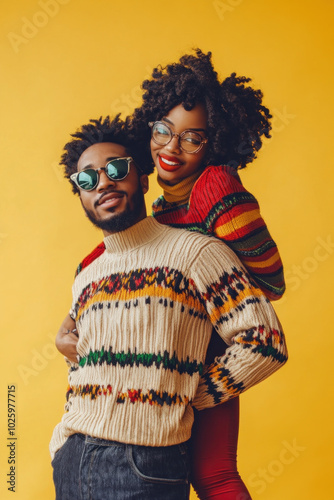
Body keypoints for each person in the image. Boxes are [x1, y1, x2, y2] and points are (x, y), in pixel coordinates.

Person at [50, 114, 287, 500]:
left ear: (142, 179)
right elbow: (86, 362)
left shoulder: (196, 252)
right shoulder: (86, 275)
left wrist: (186, 395)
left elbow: (265, 341)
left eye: (115, 168)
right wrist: (61, 448)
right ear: (81, 196)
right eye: (87, 179)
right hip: (72, 461)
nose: (103, 182)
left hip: (143, 464)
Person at [125, 49, 286, 499]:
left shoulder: (215, 186)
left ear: (213, 144)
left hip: (211, 355)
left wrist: (220, 276)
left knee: (215, 477)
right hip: (178, 351)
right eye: (163, 131)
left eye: (192, 139)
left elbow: (272, 282)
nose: (171, 149)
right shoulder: (165, 203)